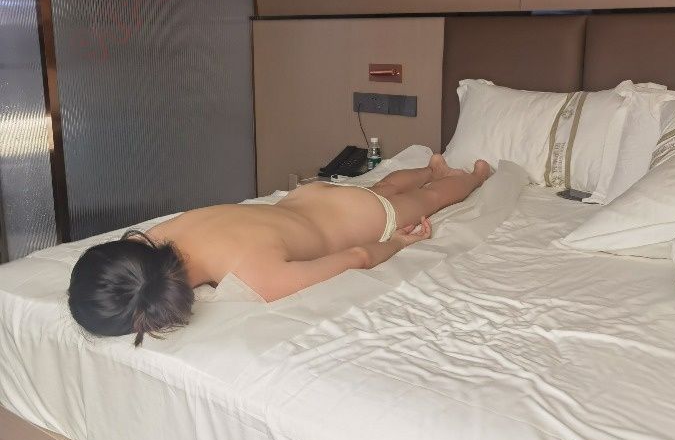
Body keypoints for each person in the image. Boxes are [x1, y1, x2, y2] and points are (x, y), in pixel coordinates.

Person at [68, 155, 491, 345]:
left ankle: (475, 176)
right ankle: (430, 167)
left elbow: (357, 258)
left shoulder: (254, 277)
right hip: (307, 198)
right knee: (382, 187)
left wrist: (397, 242)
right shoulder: (160, 232)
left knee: (428, 200)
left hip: (358, 219)